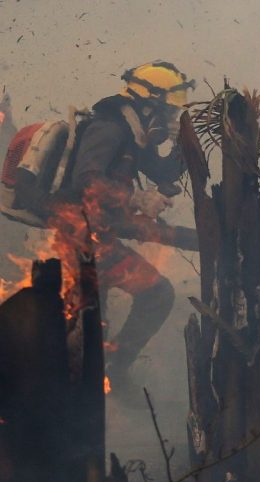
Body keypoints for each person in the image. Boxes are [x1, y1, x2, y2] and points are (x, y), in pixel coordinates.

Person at [55, 61, 194, 392]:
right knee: (148, 298)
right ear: (147, 106)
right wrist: (135, 201)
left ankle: (104, 373)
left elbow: (163, 173)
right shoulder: (109, 128)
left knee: (99, 320)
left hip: (97, 236)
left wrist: (183, 145)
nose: (169, 121)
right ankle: (100, 378)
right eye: (167, 114)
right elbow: (86, 179)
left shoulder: (133, 137)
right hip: (80, 238)